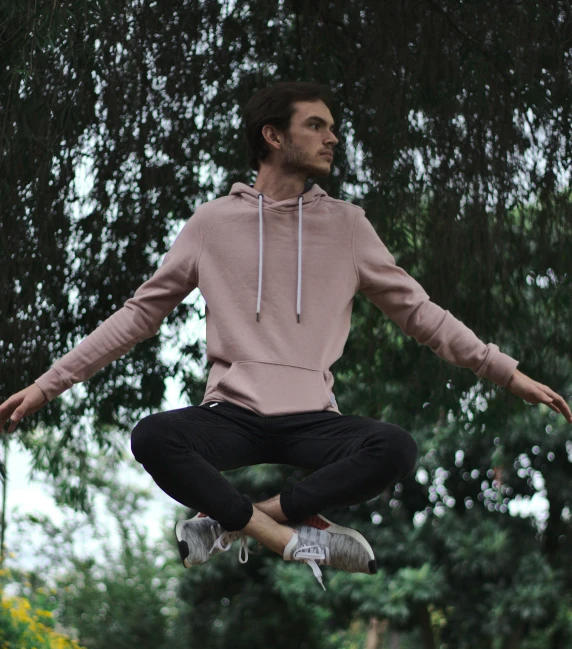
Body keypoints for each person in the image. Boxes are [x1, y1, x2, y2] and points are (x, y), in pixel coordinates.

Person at [1, 82, 571, 591]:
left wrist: (506, 372)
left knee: (393, 447)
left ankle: (240, 523)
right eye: (316, 126)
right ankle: (283, 540)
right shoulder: (211, 224)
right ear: (273, 136)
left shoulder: (347, 225)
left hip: (313, 419)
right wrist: (48, 386)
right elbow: (138, 315)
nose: (333, 139)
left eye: (332, 128)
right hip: (232, 414)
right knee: (154, 436)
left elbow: (418, 312)